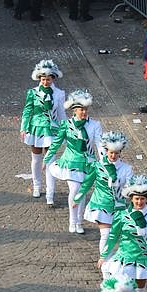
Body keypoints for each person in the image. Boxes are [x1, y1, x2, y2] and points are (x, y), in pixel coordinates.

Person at [44, 89, 102, 233]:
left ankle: (79, 222)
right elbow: (56, 142)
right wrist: (46, 159)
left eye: (86, 109)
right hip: (70, 162)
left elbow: (100, 144)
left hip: (87, 163)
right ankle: (72, 220)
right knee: (75, 190)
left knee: (82, 193)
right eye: (81, 109)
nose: (84, 112)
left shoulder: (95, 125)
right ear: (74, 110)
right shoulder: (66, 125)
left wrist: (103, 161)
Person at [73, 131, 133, 256]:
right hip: (101, 204)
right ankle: (105, 265)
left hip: (118, 207)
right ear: (106, 151)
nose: (113, 156)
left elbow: (130, 189)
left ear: (120, 153)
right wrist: (77, 198)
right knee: (105, 235)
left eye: (116, 153)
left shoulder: (127, 169)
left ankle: (113, 261)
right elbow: (87, 183)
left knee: (117, 237)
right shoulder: (98, 166)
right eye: (111, 152)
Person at [19, 60, 65, 199]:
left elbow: (62, 113)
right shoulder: (32, 93)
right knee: (36, 159)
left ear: (53, 78)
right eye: (43, 79)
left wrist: (65, 129)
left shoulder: (59, 94)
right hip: (36, 128)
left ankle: (50, 193)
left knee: (50, 160)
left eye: (48, 79)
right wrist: (23, 127)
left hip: (52, 129)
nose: (46, 82)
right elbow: (27, 111)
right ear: (39, 78)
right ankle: (37, 186)